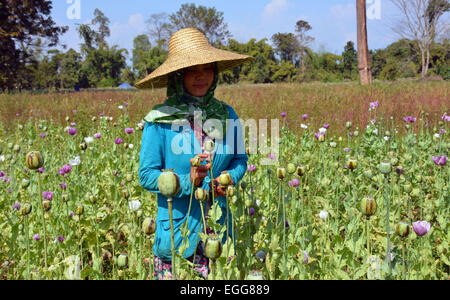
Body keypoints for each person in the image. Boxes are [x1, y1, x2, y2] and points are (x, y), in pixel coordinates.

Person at [136, 28, 254, 280]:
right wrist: (189, 181)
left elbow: (239, 160)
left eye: (207, 68)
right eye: (192, 69)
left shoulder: (226, 114)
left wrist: (228, 179)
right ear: (177, 76)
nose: (201, 76)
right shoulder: (159, 120)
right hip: (179, 231)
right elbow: (146, 175)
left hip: (218, 231)